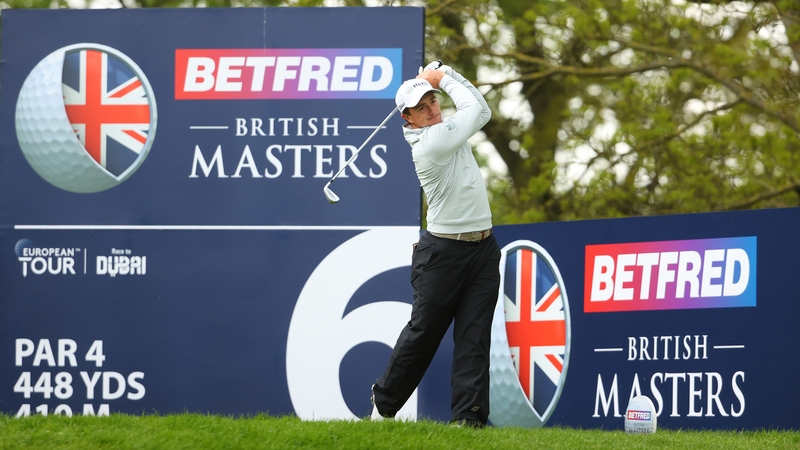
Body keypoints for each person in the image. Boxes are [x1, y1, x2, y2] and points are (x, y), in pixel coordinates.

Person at [370, 61, 501, 428]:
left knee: (474, 337)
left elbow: (483, 110)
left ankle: (469, 420)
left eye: (434, 100)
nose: (433, 109)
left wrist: (448, 75)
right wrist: (441, 76)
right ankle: (383, 406)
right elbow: (475, 109)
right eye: (423, 107)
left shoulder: (443, 129)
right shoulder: (430, 143)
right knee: (424, 334)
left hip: (483, 249)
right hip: (443, 254)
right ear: (407, 119)